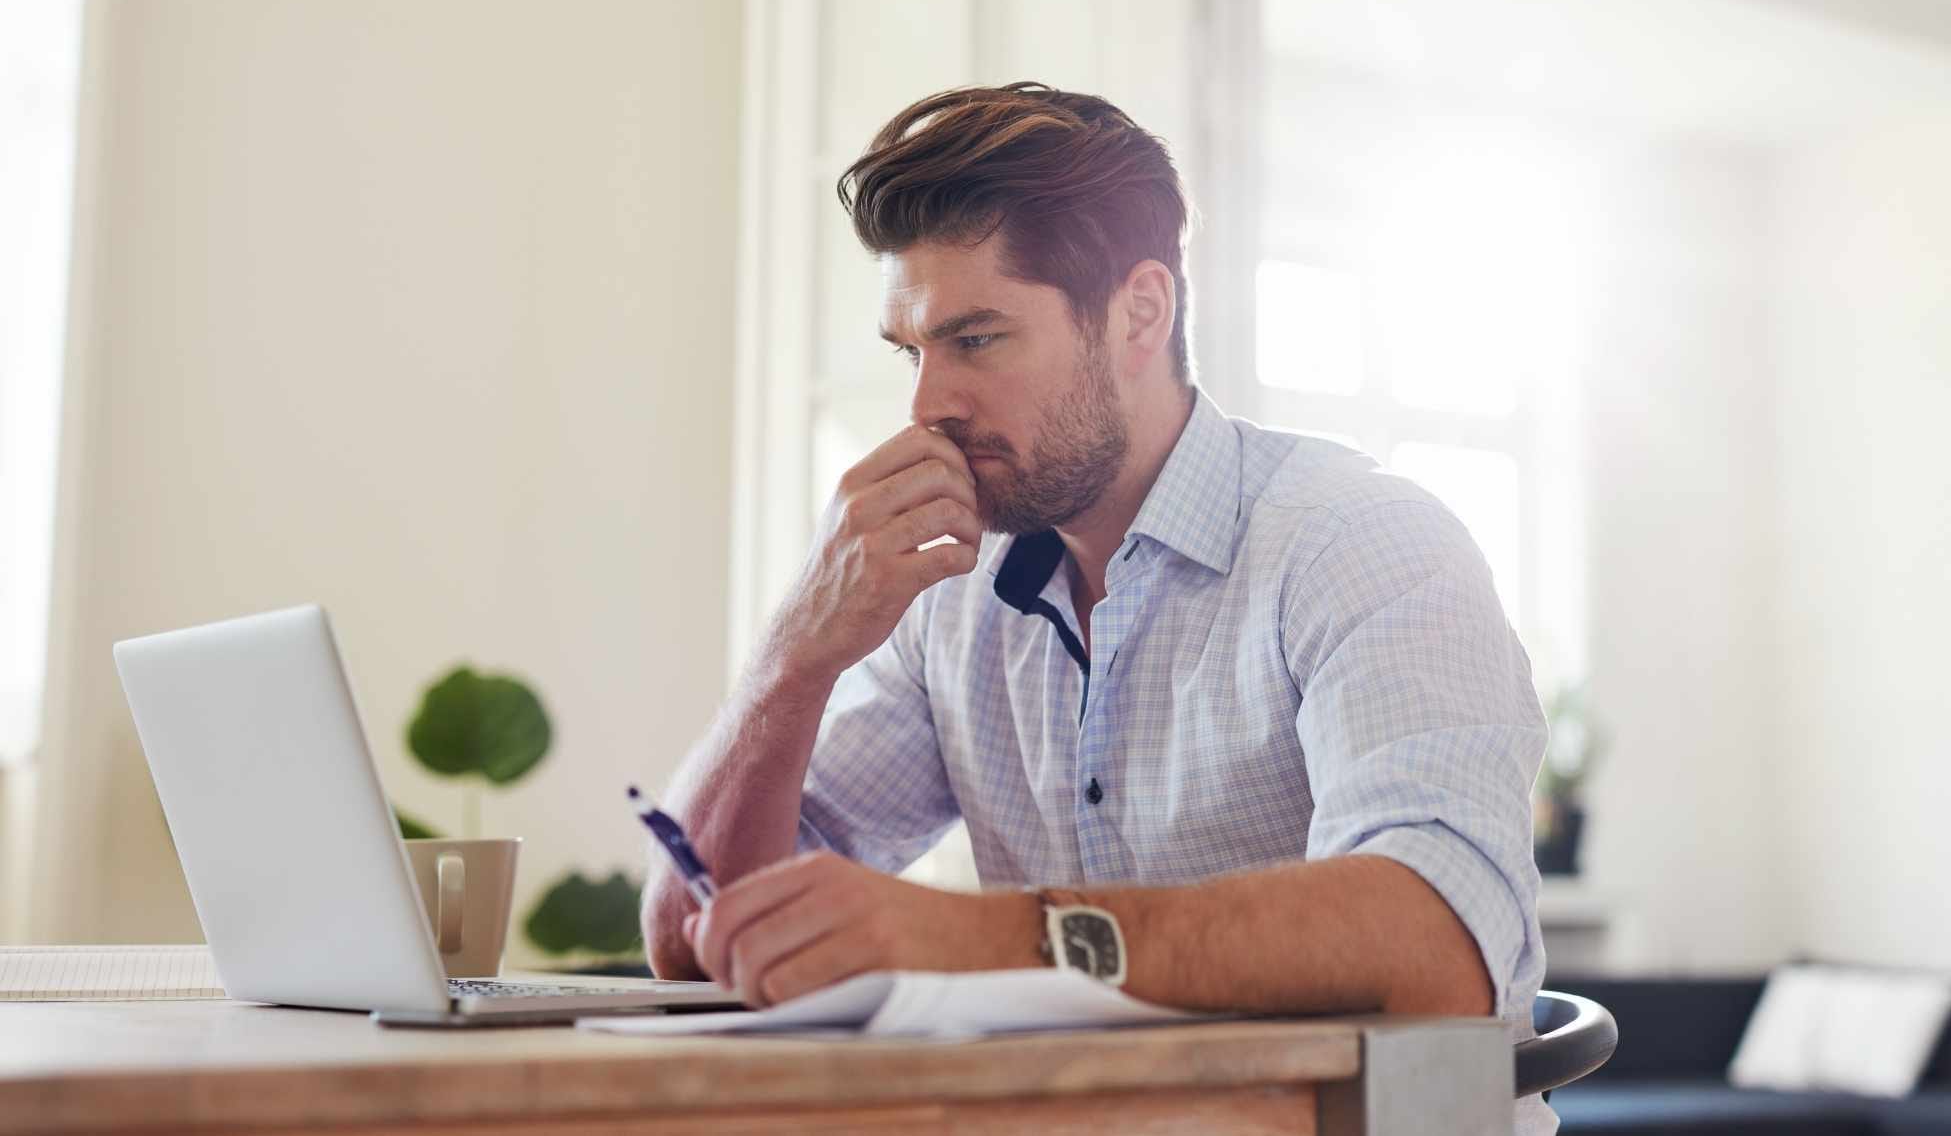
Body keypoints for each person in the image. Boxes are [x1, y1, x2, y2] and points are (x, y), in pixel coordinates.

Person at [643, 82, 1550, 1132]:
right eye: (912, 350)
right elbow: (695, 931)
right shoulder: (956, 597)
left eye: (975, 339)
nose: (926, 403)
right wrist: (795, 653)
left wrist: (982, 940)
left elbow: (1434, 944)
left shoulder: (1360, 542)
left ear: (1140, 312)